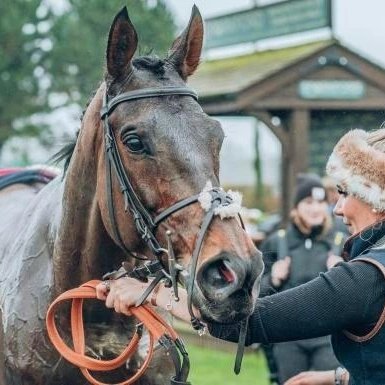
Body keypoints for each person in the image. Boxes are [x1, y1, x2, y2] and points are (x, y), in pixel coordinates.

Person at [96, 128, 385, 385]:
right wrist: (340, 376)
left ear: (376, 199)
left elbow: (250, 322)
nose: (337, 209)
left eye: (345, 193)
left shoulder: (366, 279)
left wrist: (156, 292)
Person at [259, 173, 343, 383]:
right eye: (308, 202)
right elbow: (255, 293)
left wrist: (342, 271)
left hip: (328, 339)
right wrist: (274, 279)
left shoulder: (341, 241)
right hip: (288, 339)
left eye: (321, 202)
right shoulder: (276, 242)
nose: (316, 208)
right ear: (296, 207)